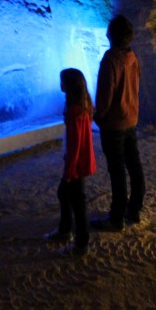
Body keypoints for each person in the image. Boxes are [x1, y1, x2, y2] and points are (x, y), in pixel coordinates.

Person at [91, 15, 145, 231]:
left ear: (110, 35)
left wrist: (98, 115)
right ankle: (135, 209)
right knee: (133, 164)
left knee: (117, 169)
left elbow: (105, 93)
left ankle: (116, 218)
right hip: (131, 118)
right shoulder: (132, 57)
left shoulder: (110, 59)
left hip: (114, 123)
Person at [46, 67, 97, 256]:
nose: (60, 84)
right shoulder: (83, 105)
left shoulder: (75, 111)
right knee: (69, 197)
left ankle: (80, 243)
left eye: (62, 81)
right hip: (80, 162)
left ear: (69, 85)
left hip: (76, 164)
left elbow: (74, 145)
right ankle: (65, 231)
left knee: (75, 200)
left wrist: (68, 172)